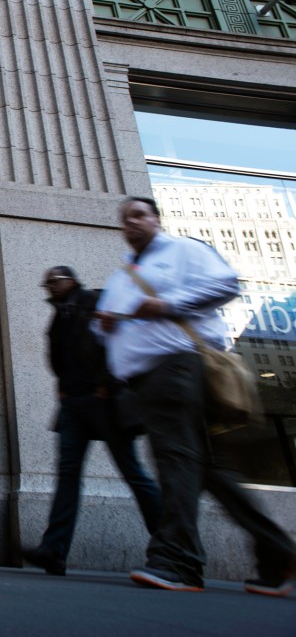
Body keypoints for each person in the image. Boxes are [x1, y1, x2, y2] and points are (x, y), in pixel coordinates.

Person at [95, 196, 296, 596]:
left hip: (175, 370)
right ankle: (279, 555)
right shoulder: (125, 273)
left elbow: (227, 284)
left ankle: (178, 562)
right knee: (211, 470)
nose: (131, 223)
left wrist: (165, 304)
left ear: (155, 218)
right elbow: (109, 327)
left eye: (139, 215)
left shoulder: (183, 249)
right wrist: (106, 324)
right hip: (148, 381)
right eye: (125, 219)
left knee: (176, 461)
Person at [22, 266, 162, 576]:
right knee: (67, 474)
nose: (49, 287)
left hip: (105, 401)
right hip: (73, 403)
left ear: (71, 280)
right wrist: (61, 386)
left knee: (132, 472)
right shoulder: (59, 315)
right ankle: (53, 550)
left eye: (54, 281)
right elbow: (59, 355)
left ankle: (170, 546)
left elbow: (122, 340)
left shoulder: (96, 300)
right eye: (46, 283)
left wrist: (109, 382)